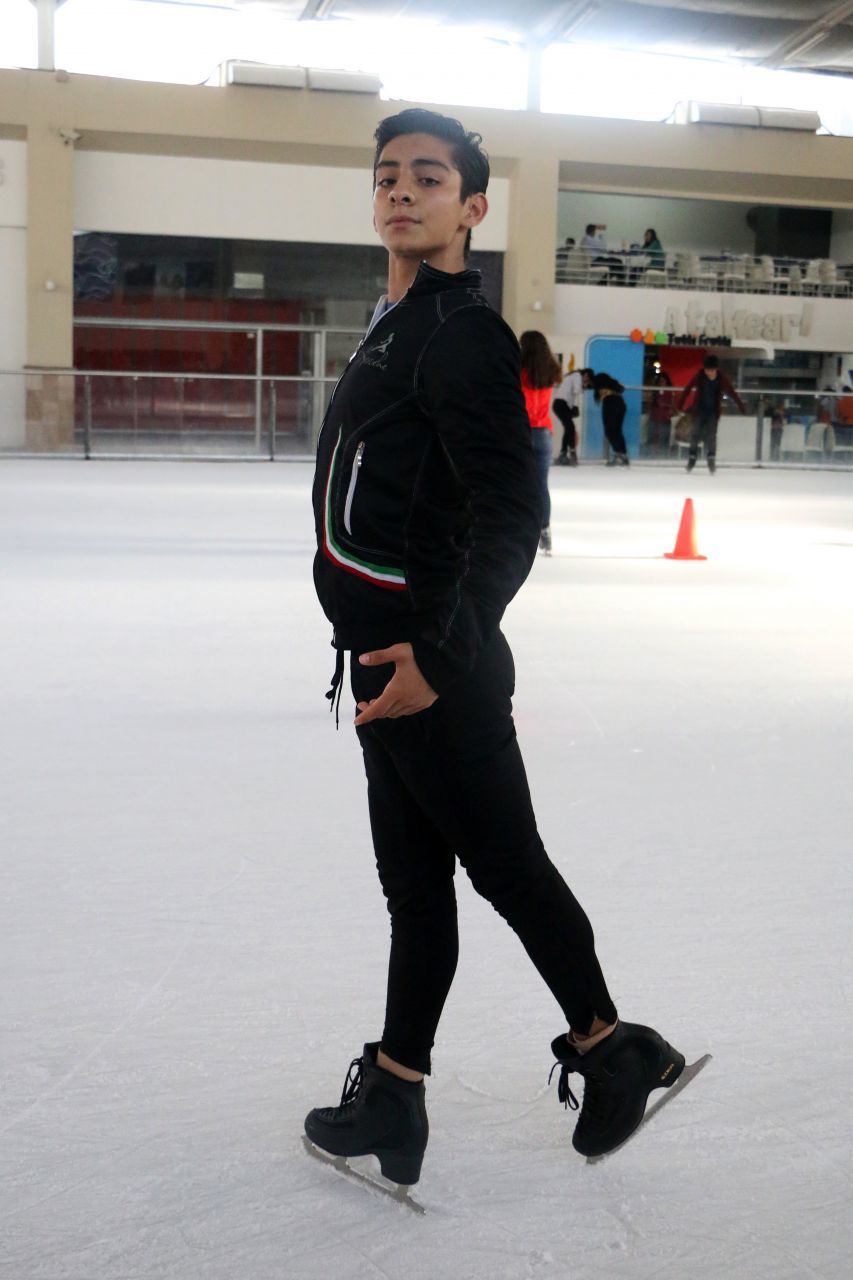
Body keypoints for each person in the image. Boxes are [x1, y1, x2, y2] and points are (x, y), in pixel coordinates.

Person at [306, 106, 687, 1192]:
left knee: (505, 869)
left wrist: (437, 652)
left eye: (430, 177)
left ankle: (615, 1047)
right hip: (389, 664)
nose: (402, 190)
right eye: (387, 174)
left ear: (473, 206)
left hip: (435, 673)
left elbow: (509, 513)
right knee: (416, 892)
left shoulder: (458, 330)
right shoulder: (395, 321)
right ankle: (395, 1089)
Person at [520, 330, 561, 553]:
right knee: (541, 486)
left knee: (518, 484)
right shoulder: (550, 372)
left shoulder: (519, 372)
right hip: (544, 432)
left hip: (522, 433)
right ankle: (545, 532)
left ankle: (520, 530)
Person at [676, 354, 746, 474]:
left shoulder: (721, 379)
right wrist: (680, 405)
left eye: (711, 370)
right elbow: (687, 389)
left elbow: (732, 393)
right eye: (707, 370)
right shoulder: (700, 376)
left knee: (711, 437)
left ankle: (711, 459)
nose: (708, 372)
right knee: (695, 434)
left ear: (716, 369)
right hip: (699, 412)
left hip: (713, 413)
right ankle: (692, 459)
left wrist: (741, 406)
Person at [553, 366, 591, 465]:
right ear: (586, 375)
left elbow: (574, 392)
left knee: (569, 428)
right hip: (561, 403)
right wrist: (575, 407)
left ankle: (564, 453)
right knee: (571, 427)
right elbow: (576, 391)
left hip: (561, 404)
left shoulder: (573, 376)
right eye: (587, 380)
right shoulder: (577, 376)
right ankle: (571, 452)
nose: (586, 383)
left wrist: (573, 407)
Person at [592, 371, 630, 465]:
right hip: (621, 404)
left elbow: (595, 391)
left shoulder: (601, 386)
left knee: (609, 430)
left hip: (610, 403)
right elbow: (622, 387)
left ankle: (618, 454)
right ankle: (623, 454)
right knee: (618, 430)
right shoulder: (615, 385)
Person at [646, 370, 675, 456]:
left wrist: (668, 408)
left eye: (664, 380)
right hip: (654, 416)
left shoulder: (670, 392)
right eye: (660, 380)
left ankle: (663, 455)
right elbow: (650, 404)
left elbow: (673, 405)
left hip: (665, 417)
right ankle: (649, 455)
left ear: (667, 381)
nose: (662, 382)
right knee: (651, 436)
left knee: (664, 437)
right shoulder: (655, 391)